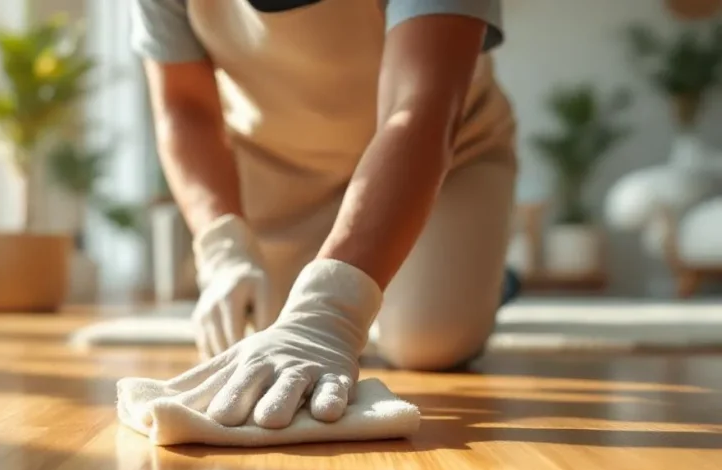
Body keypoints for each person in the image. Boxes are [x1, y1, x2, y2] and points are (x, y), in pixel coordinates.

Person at [131, 0, 518, 429]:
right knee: (259, 335)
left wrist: (329, 308)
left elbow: (421, 106)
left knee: (428, 341)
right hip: (277, 177)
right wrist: (224, 248)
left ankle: (494, 280)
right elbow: (186, 108)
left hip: (443, 162)